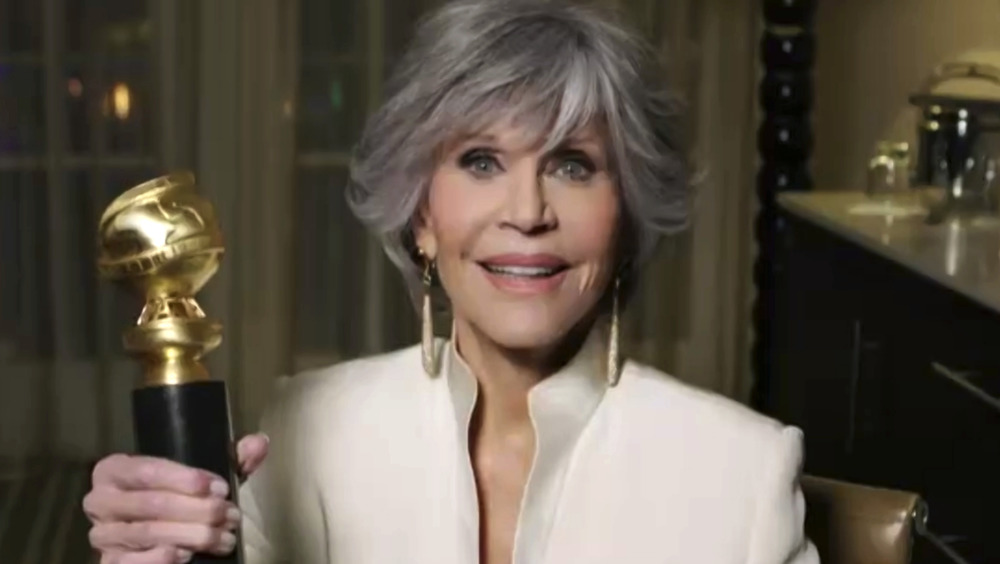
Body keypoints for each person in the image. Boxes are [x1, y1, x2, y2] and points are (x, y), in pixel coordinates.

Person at [83, 0, 819, 563]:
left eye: (572, 164)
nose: (527, 213)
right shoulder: (305, 426)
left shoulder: (744, 472)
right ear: (422, 216)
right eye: (480, 161)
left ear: (624, 216)